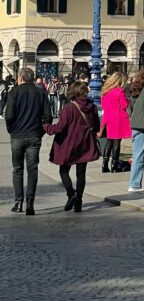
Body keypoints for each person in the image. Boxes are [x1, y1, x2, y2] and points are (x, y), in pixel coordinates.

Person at [43, 79, 100, 212]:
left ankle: (71, 193)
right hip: (85, 143)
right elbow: (96, 126)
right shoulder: (91, 107)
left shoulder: (68, 108)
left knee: (64, 171)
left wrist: (46, 127)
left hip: (69, 144)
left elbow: (60, 127)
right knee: (81, 174)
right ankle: (78, 201)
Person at [5, 67, 52, 215]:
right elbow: (48, 117)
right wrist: (41, 132)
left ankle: (18, 202)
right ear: (32, 78)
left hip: (17, 135)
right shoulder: (41, 92)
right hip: (34, 135)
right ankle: (30, 204)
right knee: (33, 170)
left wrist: (11, 130)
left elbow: (9, 115)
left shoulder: (14, 92)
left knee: (17, 169)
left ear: (20, 78)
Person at [100, 68, 131, 172]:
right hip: (118, 118)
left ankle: (104, 164)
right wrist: (127, 99)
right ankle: (115, 164)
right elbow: (124, 105)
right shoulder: (119, 91)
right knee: (117, 142)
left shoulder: (105, 92)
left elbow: (103, 106)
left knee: (109, 141)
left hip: (108, 118)